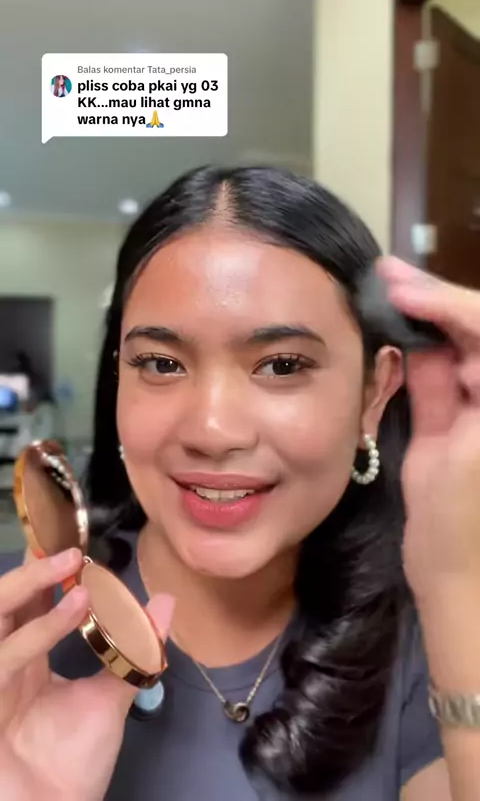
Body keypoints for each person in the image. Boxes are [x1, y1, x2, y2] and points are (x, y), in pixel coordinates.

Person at [1, 166, 480, 801]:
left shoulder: (437, 642)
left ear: (374, 392)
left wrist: (456, 588)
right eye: (161, 363)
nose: (213, 430)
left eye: (282, 365)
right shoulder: (16, 626)